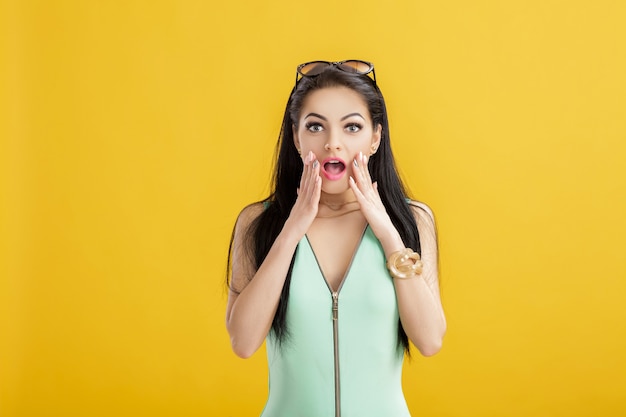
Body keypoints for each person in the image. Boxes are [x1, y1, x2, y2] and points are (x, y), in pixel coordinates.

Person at [225, 60, 446, 417]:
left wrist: (388, 233)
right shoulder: (259, 222)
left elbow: (430, 339)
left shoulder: (412, 221)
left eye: (352, 127)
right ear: (296, 136)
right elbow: (243, 341)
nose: (333, 144)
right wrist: (291, 230)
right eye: (315, 127)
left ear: (375, 137)